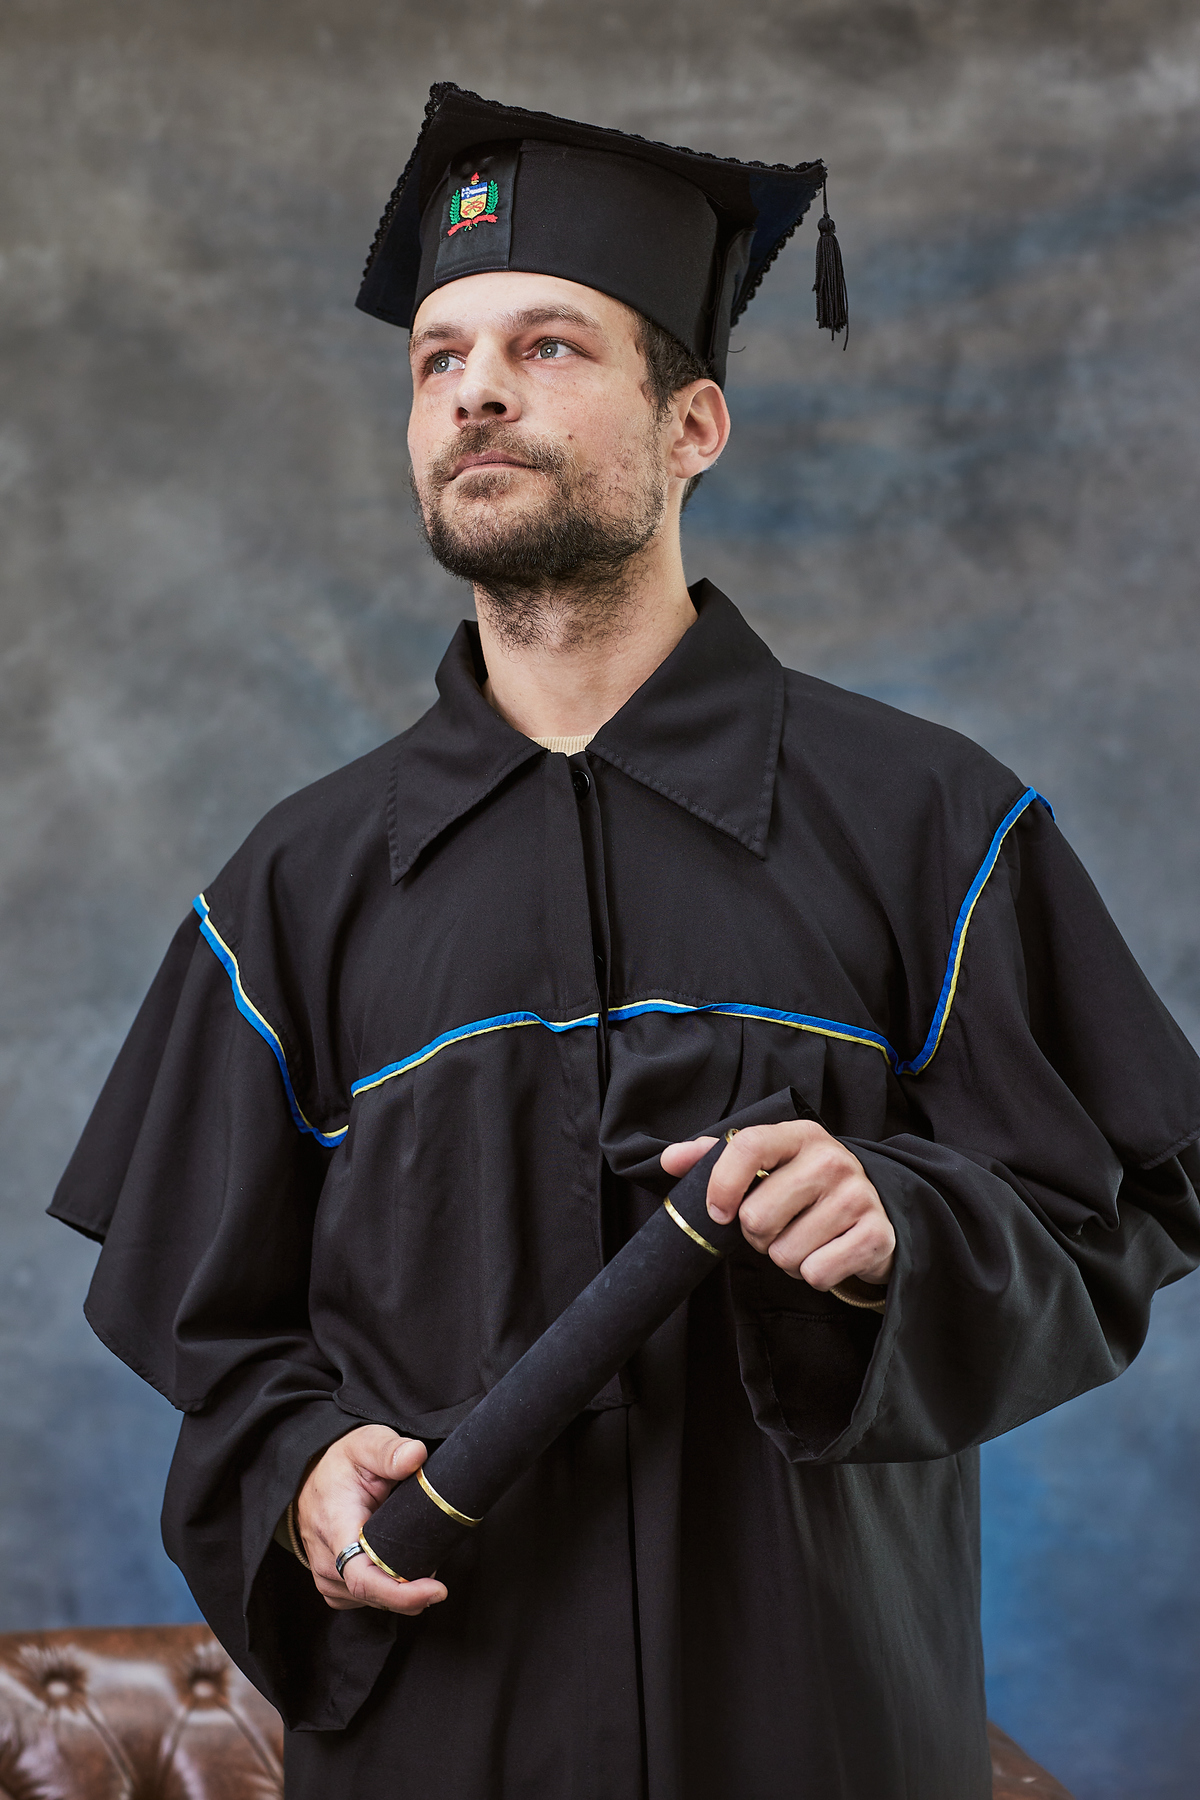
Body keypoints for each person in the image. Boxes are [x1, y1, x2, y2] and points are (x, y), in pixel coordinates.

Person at [51, 83, 1200, 1800]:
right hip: (450, 1738)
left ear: (695, 425)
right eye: (438, 360)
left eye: (549, 345)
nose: (477, 392)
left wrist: (900, 1226)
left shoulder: (933, 826)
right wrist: (298, 1469)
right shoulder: (291, 889)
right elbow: (220, 1349)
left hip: (820, 1734)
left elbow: (1107, 1224)